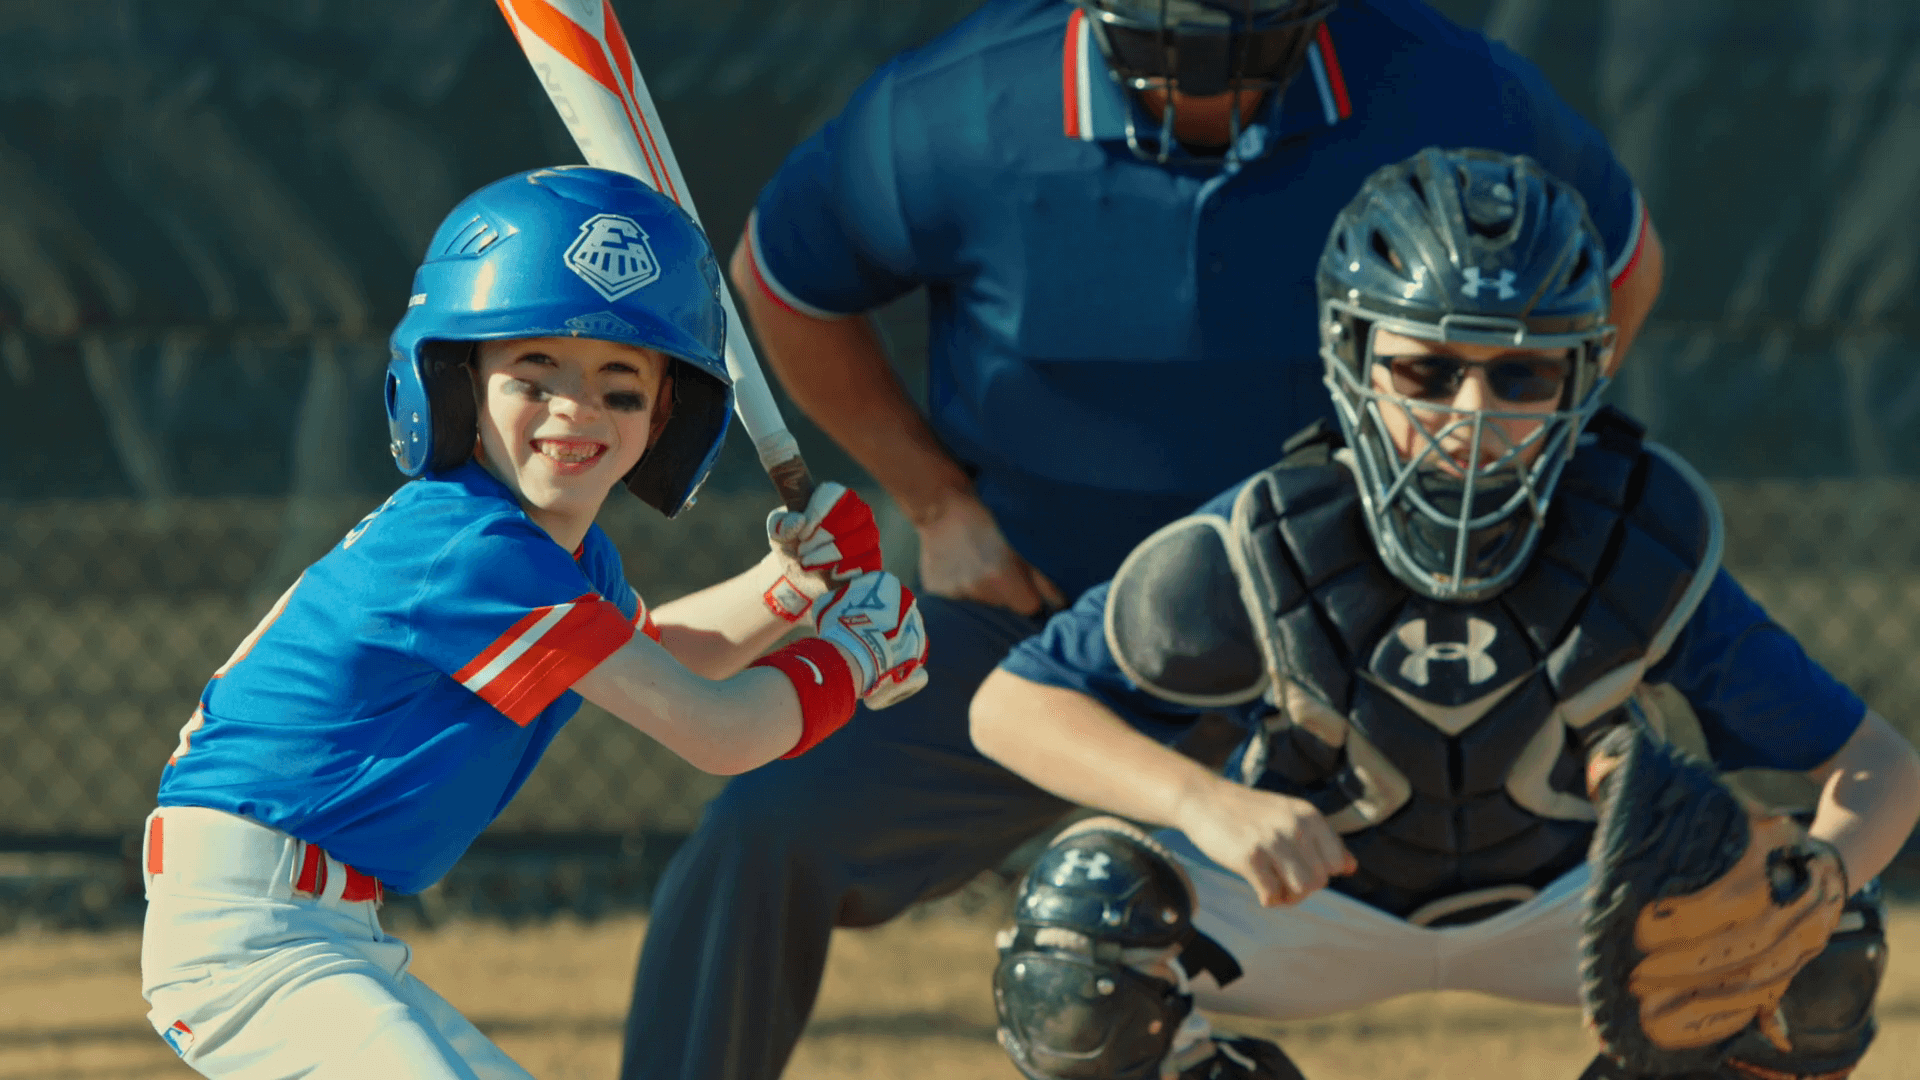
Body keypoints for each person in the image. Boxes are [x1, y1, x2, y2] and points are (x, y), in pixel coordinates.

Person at [620, 3, 1669, 1077]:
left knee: (1715, 883)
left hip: (1356, 638)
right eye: (1167, 55)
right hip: (1038, 619)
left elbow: (1619, 269)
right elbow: (785, 284)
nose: (1207, 97)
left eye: (1249, 54)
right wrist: (935, 501)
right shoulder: (959, 107)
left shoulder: (1443, 86)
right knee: (766, 831)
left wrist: (1485, 482)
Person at [970, 147, 1920, 1080]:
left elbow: (1881, 765)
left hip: (1581, 910)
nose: (1473, 413)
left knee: (1823, 930)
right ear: (1354, 355)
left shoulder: (1637, 538)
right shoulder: (1269, 539)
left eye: (1521, 376)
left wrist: (1817, 884)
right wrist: (1204, 803)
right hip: (1313, 900)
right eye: (1427, 372)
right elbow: (1010, 706)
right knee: (1075, 937)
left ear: (1584, 374)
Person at [135, 165, 928, 1080]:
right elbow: (718, 730)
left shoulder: (552, 560)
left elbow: (658, 661)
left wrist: (787, 588)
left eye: (620, 385)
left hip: (318, 930)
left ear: (668, 414)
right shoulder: (467, 551)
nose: (575, 410)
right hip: (250, 940)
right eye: (533, 372)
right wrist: (852, 656)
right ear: (457, 380)